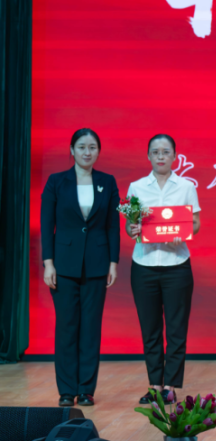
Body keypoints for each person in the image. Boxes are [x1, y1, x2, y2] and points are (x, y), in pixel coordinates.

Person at [40, 128, 120, 407]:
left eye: (93, 147)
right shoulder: (56, 181)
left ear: (99, 151)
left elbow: (112, 226)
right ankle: (66, 390)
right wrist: (48, 264)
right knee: (66, 327)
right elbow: (47, 224)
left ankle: (86, 389)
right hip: (63, 265)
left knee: (90, 328)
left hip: (97, 264)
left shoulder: (107, 181)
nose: (88, 152)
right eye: (82, 147)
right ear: (72, 150)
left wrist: (113, 262)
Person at [125, 134, 201, 405]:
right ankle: (155, 385)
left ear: (175, 156)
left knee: (177, 328)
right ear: (148, 156)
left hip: (176, 264)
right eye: (155, 152)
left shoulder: (186, 186)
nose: (160, 156)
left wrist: (184, 234)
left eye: (166, 152)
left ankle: (170, 385)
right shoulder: (136, 187)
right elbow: (130, 225)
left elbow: (195, 223)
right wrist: (133, 229)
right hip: (144, 265)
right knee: (151, 328)